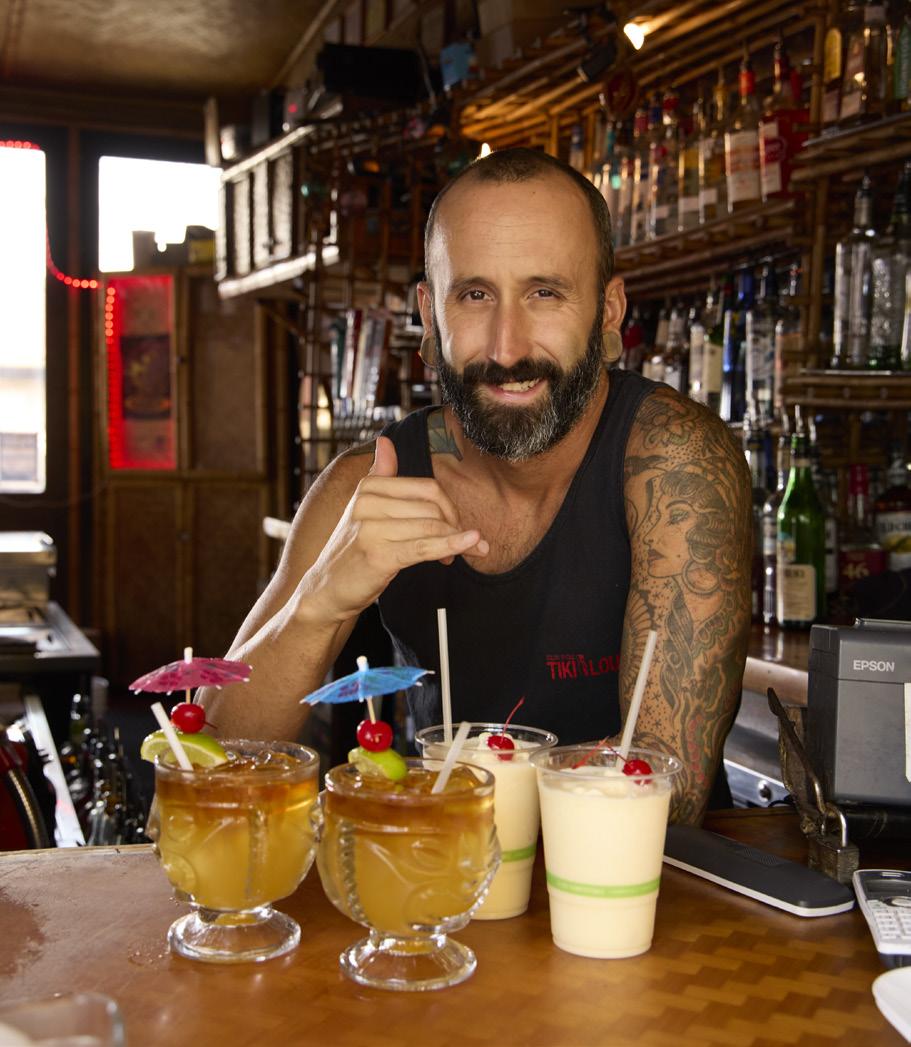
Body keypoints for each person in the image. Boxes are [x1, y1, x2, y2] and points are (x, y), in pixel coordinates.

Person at [200, 147, 751, 825]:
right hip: (438, 872)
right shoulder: (372, 479)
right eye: (474, 295)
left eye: (545, 293)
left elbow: (668, 786)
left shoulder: (673, 460)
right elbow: (211, 775)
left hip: (642, 885)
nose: (506, 347)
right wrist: (318, 605)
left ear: (608, 311)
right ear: (430, 316)